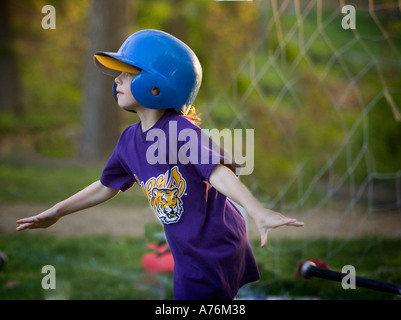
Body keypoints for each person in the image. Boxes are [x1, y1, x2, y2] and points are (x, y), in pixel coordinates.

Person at [16, 29, 304, 300]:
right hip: (188, 249)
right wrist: (57, 211)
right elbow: (106, 186)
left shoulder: (179, 130)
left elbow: (217, 172)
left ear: (156, 85)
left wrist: (256, 210)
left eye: (127, 74)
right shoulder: (130, 140)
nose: (116, 80)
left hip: (213, 248)